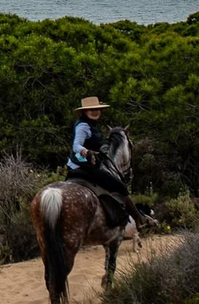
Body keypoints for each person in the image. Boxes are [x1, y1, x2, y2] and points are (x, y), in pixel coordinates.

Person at [65, 96, 153, 226]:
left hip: (80, 164)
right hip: (84, 165)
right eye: (91, 110)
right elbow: (76, 146)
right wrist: (87, 152)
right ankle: (139, 220)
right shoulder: (83, 126)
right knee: (120, 186)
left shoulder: (90, 125)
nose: (95, 112)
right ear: (85, 112)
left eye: (97, 109)